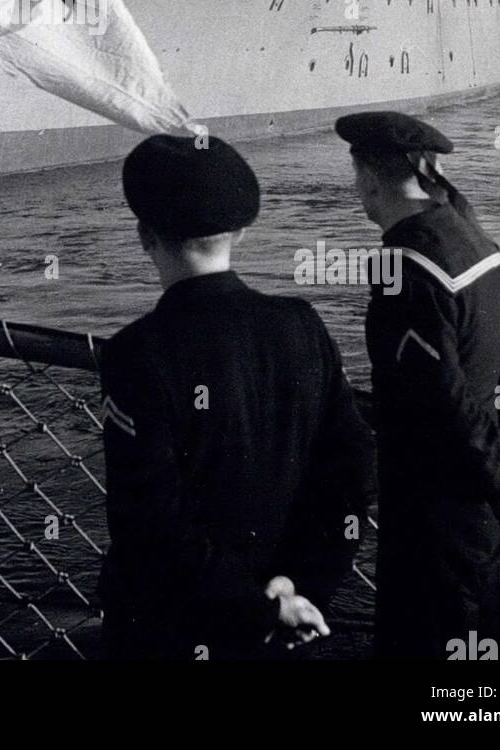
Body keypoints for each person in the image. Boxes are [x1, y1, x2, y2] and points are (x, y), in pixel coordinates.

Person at [99, 133, 374, 661]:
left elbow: (150, 523)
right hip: (286, 619)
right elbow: (353, 470)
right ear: (241, 234)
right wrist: (298, 588)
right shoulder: (302, 327)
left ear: (144, 235)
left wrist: (254, 609)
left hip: (167, 630)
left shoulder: (137, 354)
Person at [334, 111, 500, 659]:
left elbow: (438, 396)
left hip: (434, 509)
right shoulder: (481, 247)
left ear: (366, 178)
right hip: (482, 503)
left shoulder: (405, 265)